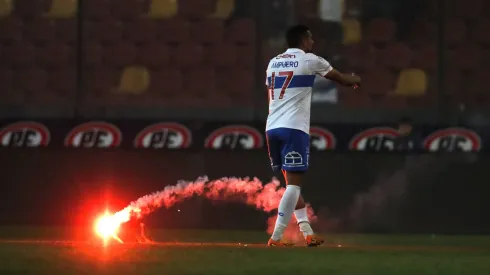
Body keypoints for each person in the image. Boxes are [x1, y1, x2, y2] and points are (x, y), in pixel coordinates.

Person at [265, 25, 361, 247]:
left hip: (272, 127)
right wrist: (357, 79)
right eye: (310, 38)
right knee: (294, 187)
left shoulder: (273, 62)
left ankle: (307, 232)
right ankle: (276, 237)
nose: (313, 42)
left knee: (291, 185)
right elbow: (341, 79)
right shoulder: (309, 60)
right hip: (294, 128)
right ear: (303, 40)